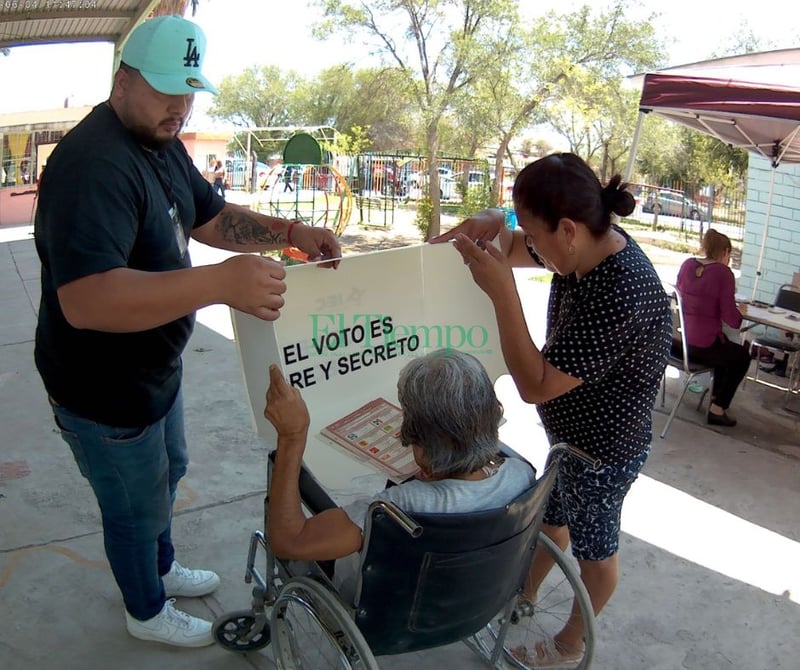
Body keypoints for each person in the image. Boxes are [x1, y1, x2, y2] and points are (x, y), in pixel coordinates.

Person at [33, 15, 341, 649]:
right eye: (166, 90)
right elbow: (87, 302)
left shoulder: (161, 140)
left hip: (154, 369)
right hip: (102, 387)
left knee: (168, 472)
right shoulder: (92, 166)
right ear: (123, 80)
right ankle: (144, 609)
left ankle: (161, 567)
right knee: (132, 506)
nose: (180, 106)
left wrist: (288, 235)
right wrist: (219, 284)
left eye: (189, 90)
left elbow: (211, 216)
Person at [432, 153, 672, 667]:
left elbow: (535, 385)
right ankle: (524, 594)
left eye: (536, 235)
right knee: (550, 520)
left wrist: (503, 295)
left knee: (596, 552)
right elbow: (515, 245)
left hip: (602, 453)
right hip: (570, 443)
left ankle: (570, 643)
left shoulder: (620, 289)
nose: (530, 246)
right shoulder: (579, 249)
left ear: (567, 229)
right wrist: (496, 222)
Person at [264, 349, 536, 604]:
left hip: (389, 604)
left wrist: (292, 437)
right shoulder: (521, 475)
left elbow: (288, 541)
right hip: (469, 597)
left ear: (423, 445)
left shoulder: (397, 510)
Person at [676, 229, 751, 426]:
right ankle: (718, 408)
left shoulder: (687, 265)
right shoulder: (723, 273)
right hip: (703, 346)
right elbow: (731, 319)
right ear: (725, 252)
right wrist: (741, 312)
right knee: (741, 357)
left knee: (727, 353)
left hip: (678, 343)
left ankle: (715, 403)